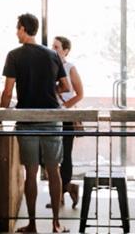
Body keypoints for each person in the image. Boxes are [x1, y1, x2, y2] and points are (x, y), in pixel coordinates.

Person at [1, 13, 70, 234]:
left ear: (22, 29)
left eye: (16, 28)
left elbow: (8, 91)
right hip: (51, 117)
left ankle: (32, 224)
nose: (16, 32)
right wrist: (50, 90)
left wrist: (0, 112)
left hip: (27, 118)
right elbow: (66, 86)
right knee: (54, 170)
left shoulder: (14, 55)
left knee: (30, 172)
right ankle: (56, 223)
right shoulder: (52, 54)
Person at [51, 36, 84, 209]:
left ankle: (63, 193)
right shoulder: (50, 67)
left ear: (65, 50)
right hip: (52, 116)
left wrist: (63, 107)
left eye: (56, 47)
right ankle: (67, 188)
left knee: (65, 155)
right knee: (52, 156)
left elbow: (79, 94)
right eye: (52, 46)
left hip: (67, 116)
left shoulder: (70, 68)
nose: (53, 49)